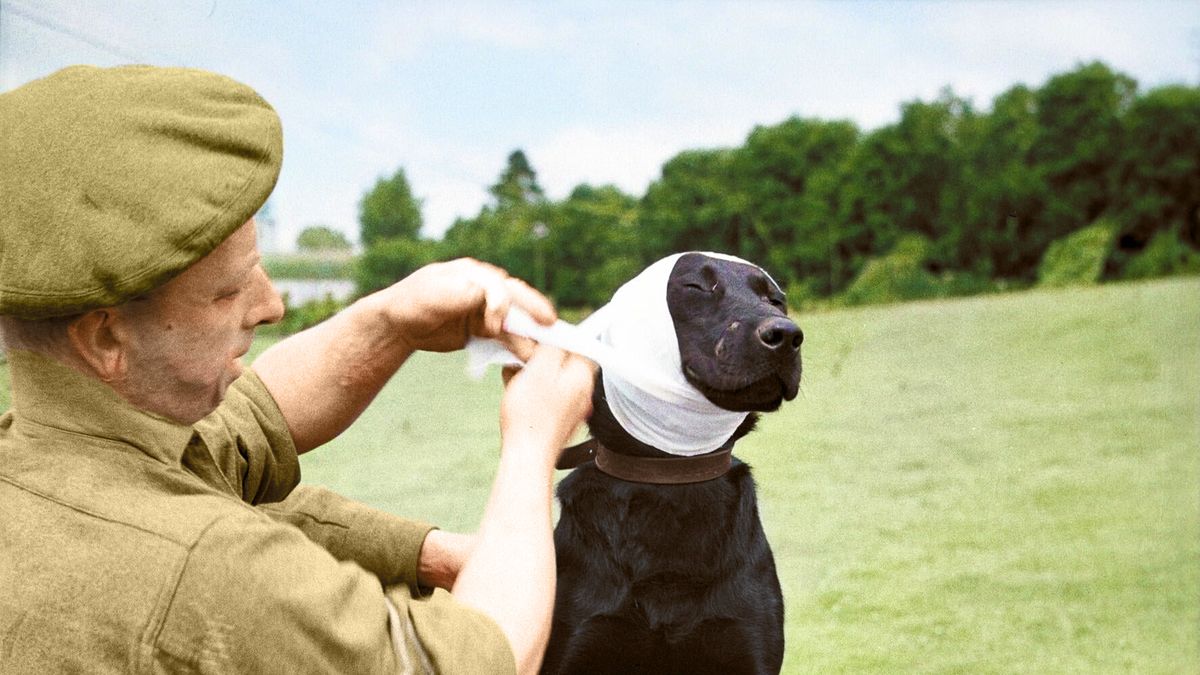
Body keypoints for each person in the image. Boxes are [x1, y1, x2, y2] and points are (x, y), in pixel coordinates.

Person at [0, 65, 594, 674]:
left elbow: (246, 428)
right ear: (105, 336)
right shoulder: (201, 566)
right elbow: (482, 660)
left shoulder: (43, 462)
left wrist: (391, 322)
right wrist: (531, 442)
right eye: (229, 291)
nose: (271, 306)